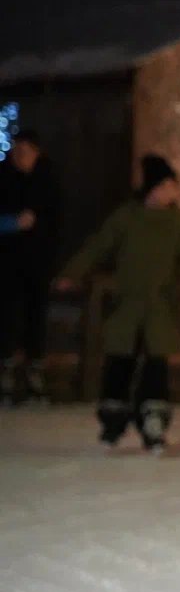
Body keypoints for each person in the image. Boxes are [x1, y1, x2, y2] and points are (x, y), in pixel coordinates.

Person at [53, 153, 180, 453]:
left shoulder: (177, 224)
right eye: (168, 186)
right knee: (119, 364)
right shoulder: (126, 218)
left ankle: (153, 424)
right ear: (154, 188)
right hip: (127, 307)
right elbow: (98, 246)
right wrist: (71, 273)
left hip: (159, 309)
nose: (173, 192)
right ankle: (113, 422)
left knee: (156, 367)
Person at [0, 129, 60, 405]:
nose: (22, 156)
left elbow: (56, 222)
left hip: (37, 262)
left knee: (36, 317)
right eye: (18, 150)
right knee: (7, 316)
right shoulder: (3, 178)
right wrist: (12, 223)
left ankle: (34, 373)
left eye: (27, 151)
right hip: (6, 262)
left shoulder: (47, 181)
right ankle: (7, 372)